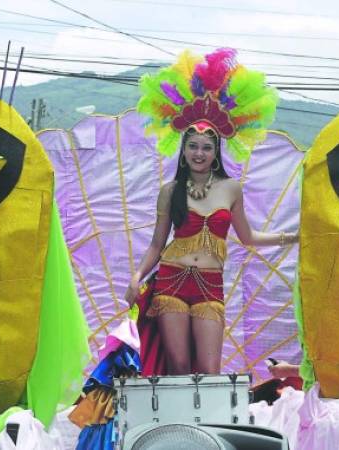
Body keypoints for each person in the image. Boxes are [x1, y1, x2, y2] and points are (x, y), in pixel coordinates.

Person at [125, 48, 298, 375]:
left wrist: (293, 236)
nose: (199, 152)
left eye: (206, 147)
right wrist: (136, 277)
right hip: (171, 281)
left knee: (208, 369)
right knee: (177, 366)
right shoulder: (170, 191)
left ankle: (204, 426)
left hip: (210, 285)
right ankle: (177, 427)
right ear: (184, 150)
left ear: (216, 151)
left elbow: (247, 237)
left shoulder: (231, 189)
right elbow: (156, 245)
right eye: (193, 146)